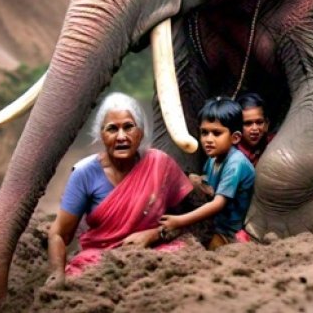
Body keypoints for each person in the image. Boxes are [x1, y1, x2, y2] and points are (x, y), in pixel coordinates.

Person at [46, 92, 192, 285]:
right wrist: (57, 273)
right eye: (112, 129)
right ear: (101, 135)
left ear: (140, 133)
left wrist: (154, 234)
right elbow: (58, 233)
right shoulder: (84, 173)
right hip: (100, 259)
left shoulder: (159, 163)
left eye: (129, 127)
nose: (121, 136)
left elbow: (186, 218)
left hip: (155, 253)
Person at [159, 97, 255, 250]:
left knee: (183, 247)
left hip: (226, 231)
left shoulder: (235, 164)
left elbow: (217, 204)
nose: (208, 139)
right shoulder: (213, 159)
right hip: (211, 222)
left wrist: (180, 221)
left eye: (216, 133)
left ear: (235, 137)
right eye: (204, 133)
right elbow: (208, 187)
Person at [236, 92, 275, 166]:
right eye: (247, 123)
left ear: (266, 124)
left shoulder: (274, 143)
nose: (255, 129)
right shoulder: (231, 153)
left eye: (259, 122)